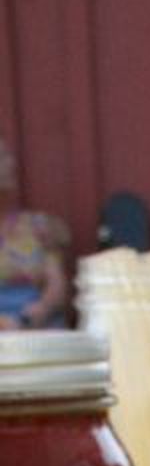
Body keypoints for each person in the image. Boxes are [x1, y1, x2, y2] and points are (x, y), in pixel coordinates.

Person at [0, 137, 69, 330]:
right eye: (2, 158)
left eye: (7, 156)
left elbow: (57, 285)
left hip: (36, 324)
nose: (10, 163)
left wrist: (41, 309)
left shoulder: (38, 226)